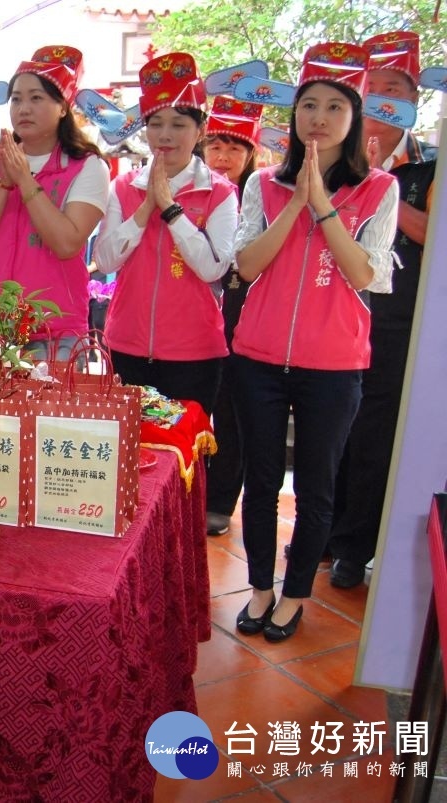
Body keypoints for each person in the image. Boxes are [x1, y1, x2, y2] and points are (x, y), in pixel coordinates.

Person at [232, 42, 398, 642]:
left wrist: (323, 204)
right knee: (261, 478)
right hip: (258, 359)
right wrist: (295, 200)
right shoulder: (262, 185)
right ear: (294, 116)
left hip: (334, 366)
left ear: (353, 121)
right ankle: (258, 587)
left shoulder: (380, 190)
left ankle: (296, 592)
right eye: (308, 105)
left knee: (316, 485)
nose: (319, 117)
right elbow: (246, 266)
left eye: (334, 107)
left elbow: (365, 275)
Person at [327, 31, 437, 589]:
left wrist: (383, 183)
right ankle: (325, 533)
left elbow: (433, 235)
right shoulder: (333, 164)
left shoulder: (428, 167)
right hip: (336, 315)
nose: (382, 98)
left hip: (395, 323)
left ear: (413, 103)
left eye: (394, 89)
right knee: (332, 426)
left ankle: (355, 546)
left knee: (374, 431)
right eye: (373, 89)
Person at [92, 53, 238, 414]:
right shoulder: (124, 187)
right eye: (156, 124)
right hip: (126, 344)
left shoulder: (219, 193)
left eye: (178, 125)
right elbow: (106, 258)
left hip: (195, 352)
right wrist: (145, 208)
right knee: (128, 458)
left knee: (186, 457)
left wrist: (172, 210)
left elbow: (212, 268)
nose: (166, 135)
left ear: (200, 130)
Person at [0, 46, 110, 358]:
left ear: (63, 107)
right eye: (16, 99)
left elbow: (67, 242)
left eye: (36, 98)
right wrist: (5, 183)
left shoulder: (88, 166)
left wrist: (25, 180)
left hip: (55, 334)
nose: (23, 108)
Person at [201, 96, 264, 536]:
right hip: (194, 320)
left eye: (234, 149)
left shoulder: (261, 198)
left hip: (243, 318)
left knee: (232, 412)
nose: (223, 158)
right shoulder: (192, 192)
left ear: (250, 155)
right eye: (215, 147)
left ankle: (220, 499)